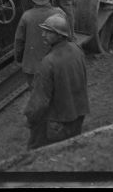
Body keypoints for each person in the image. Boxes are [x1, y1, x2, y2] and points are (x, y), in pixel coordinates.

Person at [23, 13, 90, 150]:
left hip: (58, 122)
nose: (43, 35)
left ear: (60, 35)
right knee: (71, 151)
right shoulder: (77, 50)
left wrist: (31, 118)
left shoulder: (48, 62)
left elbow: (40, 101)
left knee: (38, 154)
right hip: (78, 114)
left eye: (48, 32)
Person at [14, 0, 65, 90]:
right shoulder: (60, 13)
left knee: (37, 96)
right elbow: (68, 37)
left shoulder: (26, 16)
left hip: (33, 67)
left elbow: (19, 40)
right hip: (57, 64)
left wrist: (19, 58)